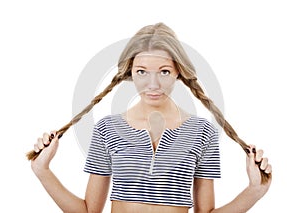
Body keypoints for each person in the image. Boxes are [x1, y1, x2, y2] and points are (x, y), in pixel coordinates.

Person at [30, 23, 272, 213]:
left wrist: (254, 191)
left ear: (178, 71)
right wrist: (42, 170)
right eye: (142, 72)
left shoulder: (202, 131)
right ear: (130, 72)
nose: (152, 84)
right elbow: (89, 210)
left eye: (164, 71)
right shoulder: (108, 129)